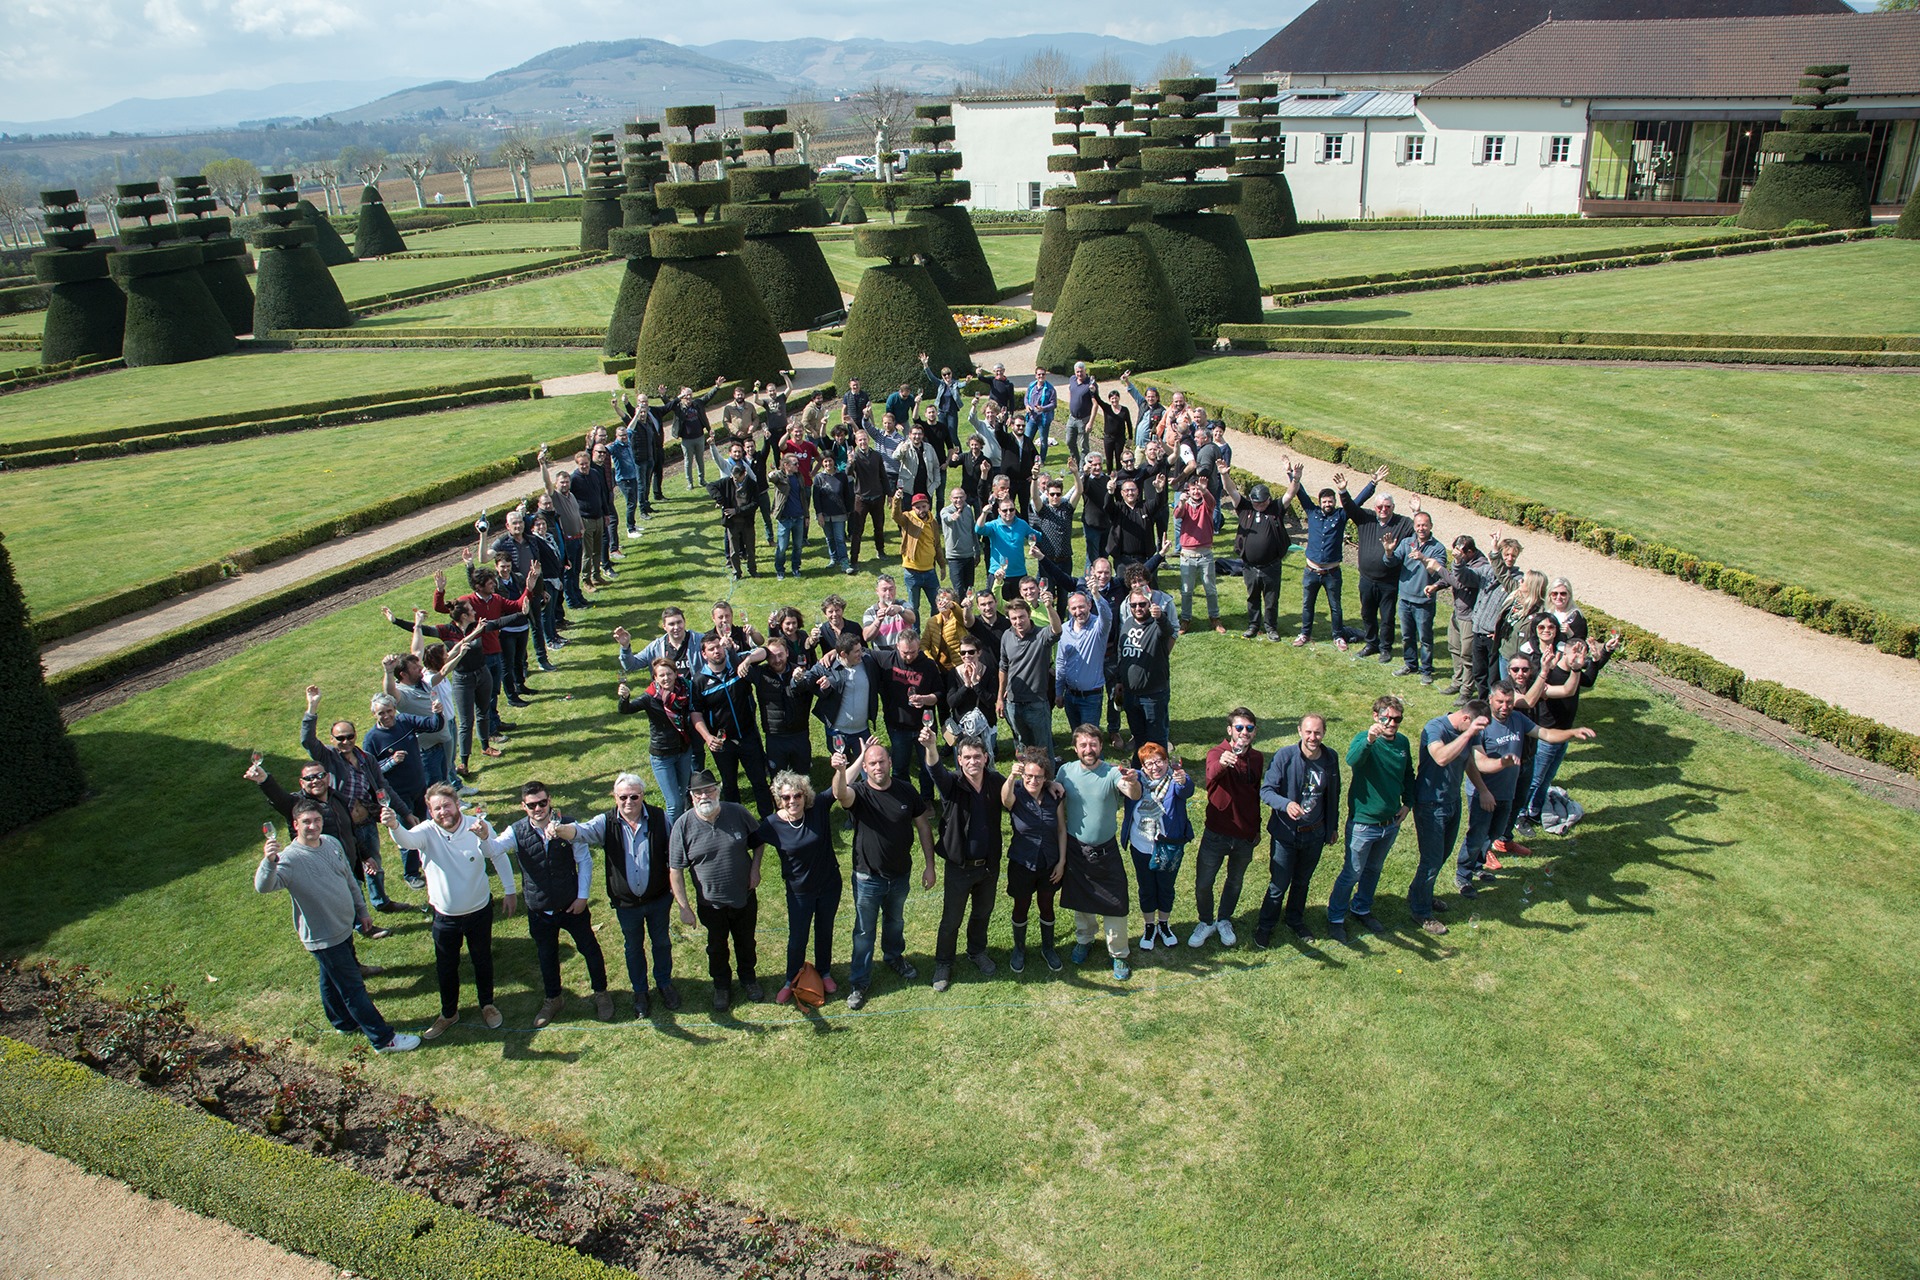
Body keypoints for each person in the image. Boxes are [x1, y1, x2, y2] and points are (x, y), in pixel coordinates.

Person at [256, 805, 418, 1053]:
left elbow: (348, 879)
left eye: (317, 820)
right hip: (323, 937)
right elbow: (263, 887)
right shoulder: (288, 859)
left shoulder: (331, 842)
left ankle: (342, 1022)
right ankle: (383, 1039)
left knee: (330, 979)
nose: (313, 826)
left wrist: (362, 911)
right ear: (295, 824)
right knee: (353, 988)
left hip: (343, 927)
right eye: (306, 821)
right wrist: (268, 862)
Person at [382, 784, 519, 1039]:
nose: (443, 812)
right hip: (445, 916)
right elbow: (407, 841)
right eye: (437, 808)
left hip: (479, 910)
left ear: (457, 804)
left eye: (447, 805)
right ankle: (448, 1013)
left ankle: (487, 1004)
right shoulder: (426, 831)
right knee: (446, 966)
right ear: (430, 812)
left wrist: (510, 890)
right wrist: (394, 826)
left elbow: (497, 855)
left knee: (482, 959)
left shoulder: (477, 825)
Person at [479, 781, 613, 1025]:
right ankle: (553, 999)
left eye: (543, 802)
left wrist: (582, 897)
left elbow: (584, 861)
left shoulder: (568, 825)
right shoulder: (516, 831)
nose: (538, 808)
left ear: (550, 800)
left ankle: (601, 993)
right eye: (532, 805)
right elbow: (493, 851)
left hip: (571, 904)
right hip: (539, 908)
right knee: (546, 955)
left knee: (589, 949)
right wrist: (485, 836)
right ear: (523, 806)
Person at [551, 774, 679, 1016]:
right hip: (626, 904)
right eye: (623, 797)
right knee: (633, 947)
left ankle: (664, 984)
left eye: (634, 796)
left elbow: (673, 851)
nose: (629, 801)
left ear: (642, 796)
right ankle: (640, 991)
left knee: (661, 942)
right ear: (614, 797)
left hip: (659, 898)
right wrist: (558, 829)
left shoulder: (660, 817)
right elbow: (579, 832)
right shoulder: (605, 822)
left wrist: (675, 886)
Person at [1457, 680, 1597, 891]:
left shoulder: (1518, 719)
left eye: (1510, 702)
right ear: (1491, 700)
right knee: (1477, 834)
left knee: (1495, 832)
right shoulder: (1481, 725)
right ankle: (1463, 875)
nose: (1505, 707)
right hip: (1483, 793)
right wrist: (1499, 767)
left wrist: (1572, 733)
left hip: (1507, 791)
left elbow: (1547, 734)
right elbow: (1478, 762)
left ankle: (1478, 865)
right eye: (1501, 702)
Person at [832, 738, 936, 1011]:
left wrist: (930, 865)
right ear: (865, 767)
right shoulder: (859, 793)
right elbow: (839, 794)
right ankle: (859, 981)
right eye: (872, 763)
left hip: (900, 874)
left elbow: (924, 828)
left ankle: (894, 957)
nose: (878, 767)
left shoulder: (906, 790)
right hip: (868, 877)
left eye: (882, 761)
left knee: (895, 922)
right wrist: (842, 770)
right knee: (864, 931)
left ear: (890, 763)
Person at [667, 770, 764, 1012]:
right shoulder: (683, 826)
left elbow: (759, 841)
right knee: (717, 947)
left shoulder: (737, 812)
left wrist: (755, 870)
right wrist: (684, 908)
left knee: (746, 942)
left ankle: (748, 979)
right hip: (710, 904)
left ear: (718, 791)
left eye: (709, 790)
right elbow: (675, 870)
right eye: (698, 792)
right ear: (691, 797)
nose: (704, 796)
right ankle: (722, 986)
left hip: (744, 897)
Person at [1325, 696, 1415, 945]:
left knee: (1373, 870)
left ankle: (1361, 908)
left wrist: (1408, 804)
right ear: (1376, 716)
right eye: (1387, 717)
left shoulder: (1403, 743)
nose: (1392, 723)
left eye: (1397, 719)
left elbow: (1409, 774)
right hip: (1363, 823)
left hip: (1390, 823)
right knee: (1352, 873)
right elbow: (1352, 760)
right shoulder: (1364, 739)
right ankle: (1335, 918)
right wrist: (1369, 739)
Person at [922, 726, 1004, 990]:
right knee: (952, 919)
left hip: (988, 866)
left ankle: (976, 951)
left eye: (977, 756)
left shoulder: (995, 782)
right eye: (966, 757)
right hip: (960, 867)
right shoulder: (952, 785)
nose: (972, 762)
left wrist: (1053, 784)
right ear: (959, 759)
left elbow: (1023, 791)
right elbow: (935, 770)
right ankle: (944, 963)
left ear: (985, 758)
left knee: (983, 912)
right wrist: (932, 747)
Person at [1057, 725, 1141, 980]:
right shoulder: (1065, 772)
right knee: (1081, 902)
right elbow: (1056, 797)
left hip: (1106, 851)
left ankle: (1118, 954)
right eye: (1083, 745)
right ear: (1075, 748)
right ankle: (1085, 939)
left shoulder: (1113, 772)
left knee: (1115, 904)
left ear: (1101, 746)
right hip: (1076, 850)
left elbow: (1132, 793)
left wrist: (1133, 783)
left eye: (1093, 744)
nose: (1088, 750)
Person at [300, 684, 404, 887]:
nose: (346, 741)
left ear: (356, 736)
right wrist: (312, 707)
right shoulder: (328, 757)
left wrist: (405, 813)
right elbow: (307, 741)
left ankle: (381, 901)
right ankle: (358, 914)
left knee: (375, 863)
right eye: (340, 738)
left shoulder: (366, 759)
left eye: (350, 736)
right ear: (332, 739)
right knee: (348, 870)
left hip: (366, 821)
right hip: (343, 824)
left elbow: (384, 788)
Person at [1254, 714, 1342, 945]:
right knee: (1279, 884)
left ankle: (1295, 919)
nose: (1313, 737)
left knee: (1302, 881)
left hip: (1315, 834)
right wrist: (1287, 804)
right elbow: (1267, 791)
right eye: (1309, 732)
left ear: (1324, 733)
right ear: (1299, 731)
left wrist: (1332, 827)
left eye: (1318, 732)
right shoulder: (1285, 756)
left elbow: (1333, 795)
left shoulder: (1330, 758)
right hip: (1286, 834)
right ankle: (1265, 925)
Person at [756, 771, 842, 1005]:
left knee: (825, 930)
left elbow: (837, 788)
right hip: (799, 892)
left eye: (797, 795)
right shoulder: (772, 824)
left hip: (829, 886)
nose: (792, 801)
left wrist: (851, 762)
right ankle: (790, 980)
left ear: (805, 796)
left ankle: (824, 973)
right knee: (798, 937)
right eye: (786, 798)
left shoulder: (818, 809)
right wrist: (755, 869)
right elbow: (751, 842)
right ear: (778, 799)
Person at [1406, 702, 1488, 936]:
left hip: (1452, 802)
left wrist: (1483, 789)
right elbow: (1440, 757)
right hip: (1430, 805)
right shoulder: (1436, 728)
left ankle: (1419, 893)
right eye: (1475, 729)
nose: (1478, 734)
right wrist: (1471, 733)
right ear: (1465, 719)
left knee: (1442, 855)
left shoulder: (1468, 732)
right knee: (1431, 860)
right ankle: (1421, 912)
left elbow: (1469, 763)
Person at [1191, 708, 1263, 948]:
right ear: (1230, 730)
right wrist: (1224, 762)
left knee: (1235, 881)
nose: (1244, 732)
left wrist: (1257, 827)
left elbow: (1255, 795)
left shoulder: (1257, 758)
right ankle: (1205, 921)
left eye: (1249, 728)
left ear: (1254, 732)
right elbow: (1211, 773)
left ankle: (1223, 920)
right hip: (1217, 833)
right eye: (1239, 727)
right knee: (1203, 883)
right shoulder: (1217, 753)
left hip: (1244, 835)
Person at [689, 631, 774, 815]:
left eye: (718, 646)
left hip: (748, 734)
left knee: (759, 781)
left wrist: (748, 660)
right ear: (704, 654)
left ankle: (769, 822)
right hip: (722, 742)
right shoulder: (699, 681)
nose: (716, 651)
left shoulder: (736, 663)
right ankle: (737, 824)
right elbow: (695, 713)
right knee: (730, 786)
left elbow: (765, 651)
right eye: (711, 649)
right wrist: (707, 737)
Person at [1000, 746, 1067, 971]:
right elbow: (1004, 799)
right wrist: (1012, 776)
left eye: (1038, 777)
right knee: (1021, 905)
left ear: (1046, 777)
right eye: (1029, 776)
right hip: (1022, 863)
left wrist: (1061, 862)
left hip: (1049, 863)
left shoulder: (1053, 795)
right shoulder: (1016, 792)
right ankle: (1019, 949)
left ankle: (1048, 948)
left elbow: (1060, 830)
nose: (1033, 781)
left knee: (1046, 906)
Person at [1122, 742, 1193, 952]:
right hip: (1141, 846)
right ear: (1143, 766)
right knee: (1146, 888)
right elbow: (1123, 777)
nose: (1155, 767)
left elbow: (1186, 788)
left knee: (1165, 887)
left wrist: (1183, 778)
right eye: (1149, 763)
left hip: (1167, 847)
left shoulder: (1175, 780)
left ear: (1166, 762)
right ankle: (1149, 926)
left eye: (1159, 761)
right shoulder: (1137, 780)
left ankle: (1164, 923)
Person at [1296, 467, 1376, 648]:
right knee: (1308, 606)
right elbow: (1300, 493)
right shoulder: (1312, 512)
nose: (1327, 504)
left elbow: (1358, 501)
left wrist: (1372, 483)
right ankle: (1304, 634)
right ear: (1320, 502)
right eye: (1324, 502)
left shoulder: (1341, 515)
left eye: (1330, 501)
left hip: (1332, 573)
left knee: (1335, 607)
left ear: (1334, 502)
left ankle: (1338, 636)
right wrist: (1293, 476)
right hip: (1311, 572)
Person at [1220, 464, 1298, 642]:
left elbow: (1290, 494)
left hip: (1271, 566)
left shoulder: (1276, 509)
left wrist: (1296, 478)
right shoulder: (1245, 508)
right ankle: (1253, 625)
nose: (1260, 506)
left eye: (1263, 503)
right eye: (1257, 503)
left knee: (1271, 600)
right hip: (1249, 566)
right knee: (1252, 597)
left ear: (1269, 500)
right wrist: (1224, 475)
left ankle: (1271, 627)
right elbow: (1231, 491)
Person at [617, 658, 697, 829]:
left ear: (676, 674)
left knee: (683, 794)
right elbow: (626, 710)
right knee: (674, 803)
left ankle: (683, 829)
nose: (666, 678)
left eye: (669, 673)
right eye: (661, 675)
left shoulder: (686, 690)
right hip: (662, 757)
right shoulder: (650, 697)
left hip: (683, 751)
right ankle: (674, 837)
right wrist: (624, 698)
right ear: (655, 678)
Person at [1343, 477, 1414, 662]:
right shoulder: (1365, 518)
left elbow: (1420, 528)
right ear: (1375, 508)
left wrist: (1417, 511)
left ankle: (1385, 648)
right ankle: (1371, 643)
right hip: (1366, 579)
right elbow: (1350, 508)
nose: (1383, 510)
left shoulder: (1402, 523)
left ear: (1393, 507)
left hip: (1388, 582)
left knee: (1387, 617)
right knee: (1367, 614)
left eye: (1387, 507)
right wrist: (1343, 491)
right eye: (1380, 507)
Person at [1383, 510, 1447, 685]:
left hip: (1424, 602)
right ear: (1414, 526)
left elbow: (1439, 572)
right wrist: (1388, 552)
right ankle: (1410, 664)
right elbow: (1391, 562)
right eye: (1418, 525)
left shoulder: (1438, 548)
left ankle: (1426, 670)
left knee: (1425, 639)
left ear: (1431, 526)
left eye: (1424, 525)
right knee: (1407, 636)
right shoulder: (1407, 543)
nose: (1421, 528)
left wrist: (1423, 558)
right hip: (1405, 599)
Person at [998, 597, 1061, 763]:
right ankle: (1028, 783)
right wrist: (999, 698)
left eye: (1021, 617)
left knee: (1043, 750)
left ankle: (1048, 784)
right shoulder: (1007, 636)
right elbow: (1003, 667)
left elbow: (1057, 630)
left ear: (1029, 614)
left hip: (1037, 703)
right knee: (1023, 748)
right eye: (1014, 618)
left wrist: (1048, 607)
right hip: (1013, 703)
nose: (1018, 621)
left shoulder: (1041, 634)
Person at [1112, 589, 1176, 753]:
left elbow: (1168, 631)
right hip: (1130, 695)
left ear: (1150, 604)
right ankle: (1140, 769)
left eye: (1142, 604)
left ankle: (1160, 772)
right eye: (1133, 605)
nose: (1138, 608)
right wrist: (1119, 680)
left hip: (1153, 696)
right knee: (1139, 737)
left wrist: (1160, 616)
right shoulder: (1127, 623)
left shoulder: (1157, 625)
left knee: (1156, 738)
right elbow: (1121, 652)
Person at [1170, 471, 1226, 634]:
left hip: (1205, 555)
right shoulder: (1185, 504)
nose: (1196, 491)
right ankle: (1185, 620)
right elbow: (1178, 515)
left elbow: (1211, 501)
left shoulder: (1207, 505)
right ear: (1188, 490)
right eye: (1193, 489)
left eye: (1198, 489)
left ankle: (1214, 618)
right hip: (1187, 555)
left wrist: (1205, 490)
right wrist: (1180, 503)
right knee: (1186, 590)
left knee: (1210, 589)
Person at [1052, 590, 1111, 738]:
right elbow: (1060, 662)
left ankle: (1098, 761)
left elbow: (1107, 615)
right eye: (1074, 608)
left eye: (1081, 607)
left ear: (1089, 605)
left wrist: (1097, 594)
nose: (1078, 612)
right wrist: (1059, 692)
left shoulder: (1099, 627)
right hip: (1070, 695)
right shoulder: (1064, 629)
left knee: (1090, 740)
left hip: (1091, 697)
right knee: (1077, 738)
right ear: (1069, 609)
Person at [893, 490, 943, 622]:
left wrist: (942, 566)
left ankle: (935, 630)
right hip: (912, 572)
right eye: (918, 507)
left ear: (928, 506)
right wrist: (897, 500)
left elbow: (937, 545)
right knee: (913, 607)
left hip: (930, 572)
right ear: (913, 508)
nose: (921, 509)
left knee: (938, 605)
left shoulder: (933, 522)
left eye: (924, 506)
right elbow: (896, 516)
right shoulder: (907, 519)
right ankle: (916, 636)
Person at [770, 451, 810, 580]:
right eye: (795, 463)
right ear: (786, 465)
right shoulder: (780, 478)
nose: (798, 465)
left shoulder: (799, 477)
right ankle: (780, 570)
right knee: (782, 547)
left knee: (798, 547)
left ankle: (795, 568)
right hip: (785, 518)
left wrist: (806, 515)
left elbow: (803, 497)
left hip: (798, 517)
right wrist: (772, 473)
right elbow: (772, 477)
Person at [1063, 362, 1097, 467]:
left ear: (1085, 371)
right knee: (1069, 442)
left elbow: (1095, 405)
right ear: (1075, 372)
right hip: (1072, 418)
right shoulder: (1072, 379)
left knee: (1084, 446)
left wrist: (1090, 423)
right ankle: (1076, 463)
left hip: (1084, 419)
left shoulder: (1090, 384)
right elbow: (1071, 390)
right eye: (1077, 372)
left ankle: (1083, 468)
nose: (1079, 374)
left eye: (1081, 371)